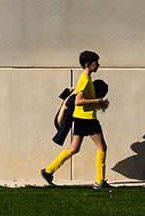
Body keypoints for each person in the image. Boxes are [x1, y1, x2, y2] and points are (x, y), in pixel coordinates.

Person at [41, 50, 112, 190]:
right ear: (88, 64)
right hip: (87, 119)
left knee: (74, 149)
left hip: (80, 118)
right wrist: (98, 101)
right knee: (102, 147)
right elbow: (78, 101)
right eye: (96, 62)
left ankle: (48, 171)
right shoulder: (85, 79)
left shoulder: (85, 78)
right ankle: (100, 182)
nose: (98, 65)